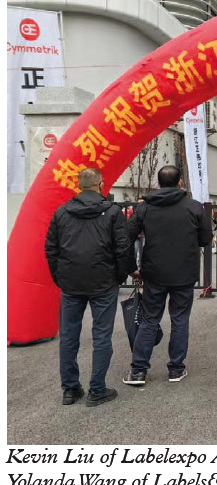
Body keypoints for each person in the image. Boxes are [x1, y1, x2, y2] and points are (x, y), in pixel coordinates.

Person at [44, 167, 134, 406]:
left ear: (79, 185)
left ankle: (70, 390)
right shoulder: (113, 212)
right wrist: (119, 276)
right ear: (100, 185)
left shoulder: (61, 212)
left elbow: (51, 249)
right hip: (103, 281)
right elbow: (123, 248)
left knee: (69, 337)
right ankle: (97, 389)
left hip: (71, 282)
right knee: (102, 336)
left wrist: (59, 277)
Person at [123, 165, 213, 386]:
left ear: (158, 183)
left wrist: (130, 267)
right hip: (184, 273)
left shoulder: (145, 208)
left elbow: (126, 236)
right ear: (180, 183)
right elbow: (205, 239)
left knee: (149, 320)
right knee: (180, 320)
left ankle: (138, 371)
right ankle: (175, 369)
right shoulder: (194, 207)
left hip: (154, 273)